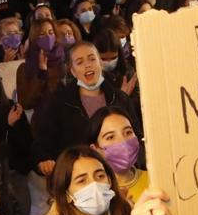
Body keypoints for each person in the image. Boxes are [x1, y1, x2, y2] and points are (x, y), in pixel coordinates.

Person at [33, 42, 141, 179]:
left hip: (121, 176)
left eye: (92, 59)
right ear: (72, 71)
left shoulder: (120, 99)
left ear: (100, 63)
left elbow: (136, 135)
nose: (87, 65)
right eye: (79, 62)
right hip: (79, 179)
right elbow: (42, 143)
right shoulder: (59, 102)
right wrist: (44, 161)